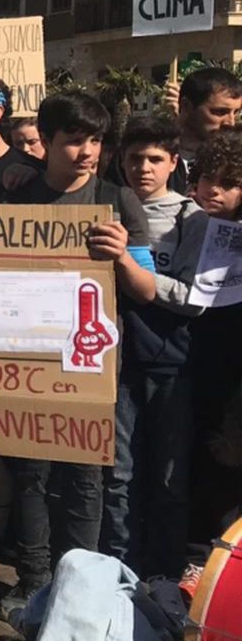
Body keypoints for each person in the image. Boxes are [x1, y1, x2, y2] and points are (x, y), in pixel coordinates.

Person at [0, 91, 157, 620]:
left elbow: (147, 289)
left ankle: (77, 583)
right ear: (46, 143)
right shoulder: (16, 196)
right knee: (31, 477)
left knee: (86, 482)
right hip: (27, 362)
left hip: (92, 365)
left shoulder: (118, 200)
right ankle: (34, 579)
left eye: (95, 141)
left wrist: (122, 258)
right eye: (74, 141)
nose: (87, 152)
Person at [101, 117, 206, 580]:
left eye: (155, 159)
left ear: (173, 163)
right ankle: (120, 565)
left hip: (171, 363)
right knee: (118, 475)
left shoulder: (193, 219)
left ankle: (161, 574)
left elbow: (193, 298)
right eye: (134, 159)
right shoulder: (104, 209)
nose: (143, 168)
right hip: (113, 360)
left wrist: (136, 273)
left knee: (167, 478)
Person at [180, 129, 242, 588]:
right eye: (207, 178)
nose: (214, 190)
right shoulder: (189, 225)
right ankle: (199, 560)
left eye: (229, 182)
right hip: (198, 365)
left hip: (235, 376)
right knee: (206, 463)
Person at [169, 67, 242, 193]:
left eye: (235, 112)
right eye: (220, 112)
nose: (230, 122)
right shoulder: (150, 152)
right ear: (186, 106)